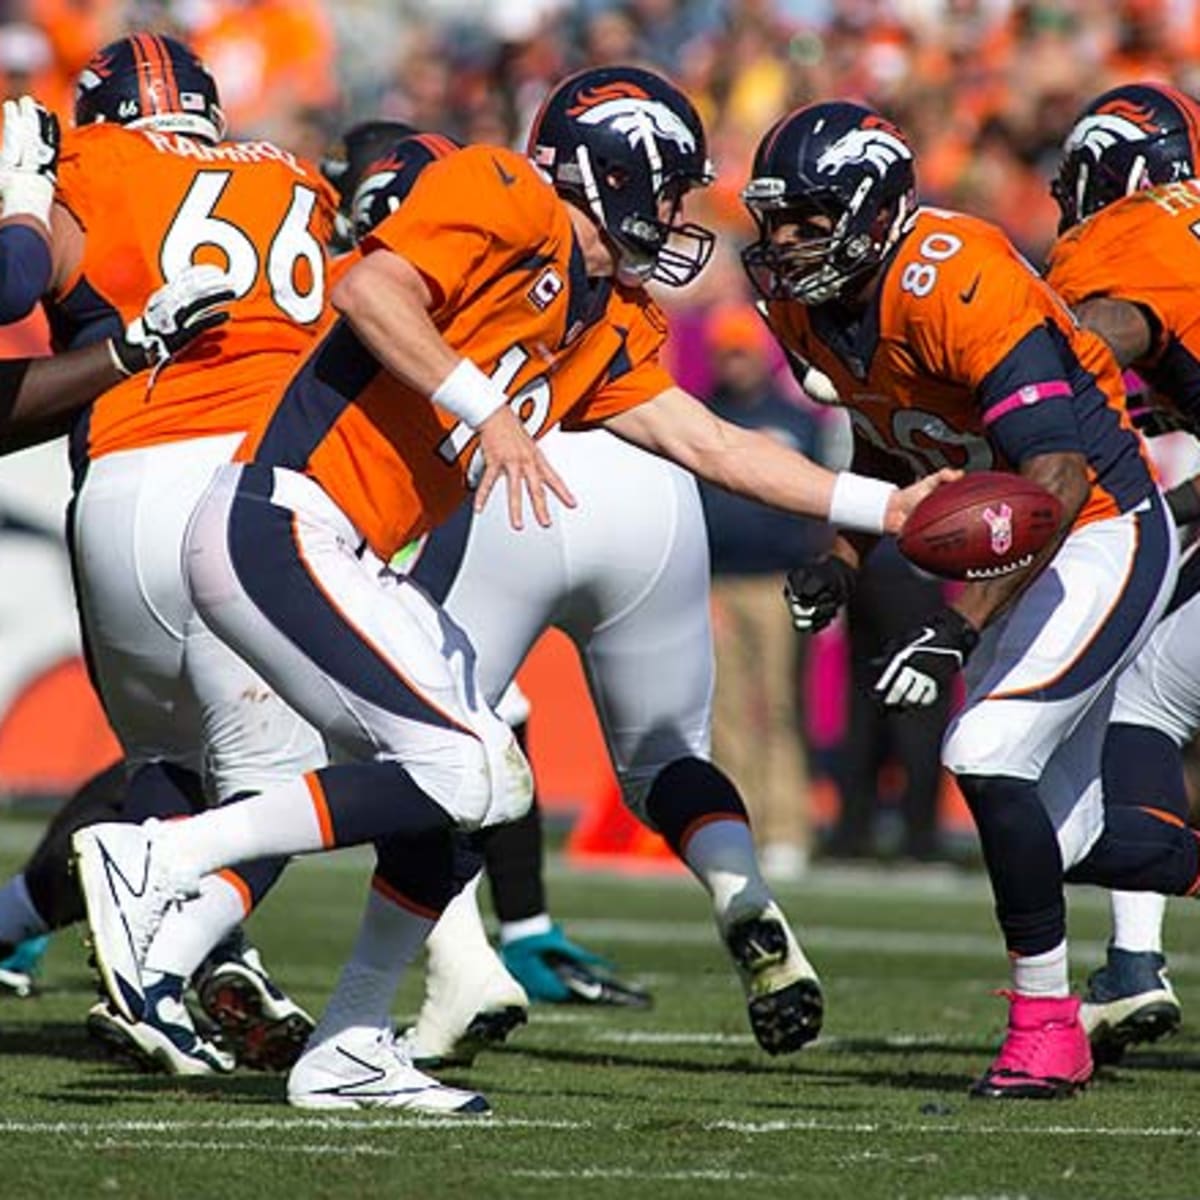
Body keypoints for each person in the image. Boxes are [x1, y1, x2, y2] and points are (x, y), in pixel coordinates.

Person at [73, 65, 948, 1113]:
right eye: (667, 191)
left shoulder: (604, 312)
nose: (674, 217)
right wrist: (483, 408)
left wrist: (882, 510)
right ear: (610, 170)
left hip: (343, 548)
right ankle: (162, 854)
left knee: (487, 782)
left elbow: (707, 441)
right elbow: (369, 289)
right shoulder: (500, 190)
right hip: (276, 519)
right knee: (456, 765)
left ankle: (352, 1039)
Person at [747, 100, 1200, 1100]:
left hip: (1103, 528)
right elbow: (888, 428)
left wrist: (957, 624)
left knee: (983, 753)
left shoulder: (958, 274)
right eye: (772, 222)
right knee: (1065, 834)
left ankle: (1048, 1029)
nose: (781, 245)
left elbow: (1060, 474)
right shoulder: (808, 304)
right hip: (1038, 536)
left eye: (804, 220)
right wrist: (848, 556)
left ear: (871, 211)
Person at [0, 33, 342, 1074]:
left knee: (170, 762)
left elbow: (14, 283)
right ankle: (182, 946)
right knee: (336, 758)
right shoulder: (298, 178)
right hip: (260, 488)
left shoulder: (90, 167)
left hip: (121, 494)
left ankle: (186, 957)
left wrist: (21, 197)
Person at [1045, 81, 1200, 1061]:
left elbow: (1101, 334)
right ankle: (1132, 966)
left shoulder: (1134, 232)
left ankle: (1137, 966)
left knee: (1142, 698)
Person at [699, 302, 825, 878]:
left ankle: (786, 828)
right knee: (724, 710)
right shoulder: (703, 414)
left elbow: (823, 499)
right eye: (727, 351)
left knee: (777, 705)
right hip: (717, 581)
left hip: (777, 579)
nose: (736, 362)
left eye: (743, 350)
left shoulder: (796, 419)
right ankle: (737, 826)